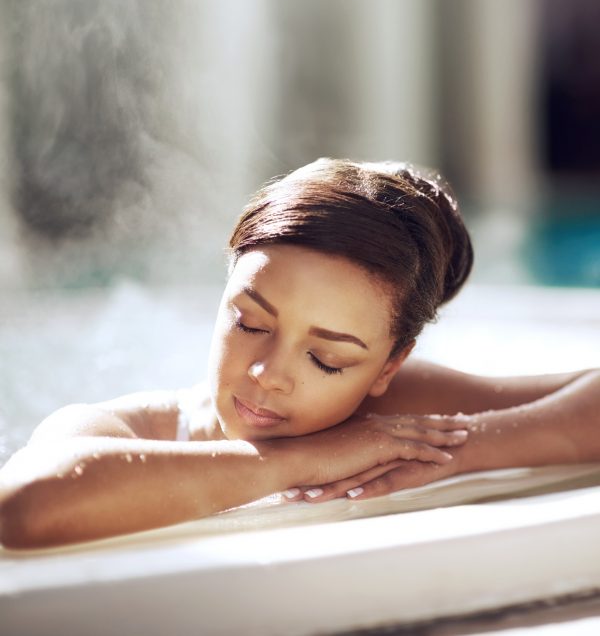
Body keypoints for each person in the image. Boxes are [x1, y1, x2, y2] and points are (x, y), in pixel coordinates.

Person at [0, 158, 598, 549]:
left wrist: (456, 452)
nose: (267, 374)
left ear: (389, 366)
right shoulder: (132, 428)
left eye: (327, 361)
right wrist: (304, 459)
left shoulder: (387, 417)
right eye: (249, 321)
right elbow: (26, 506)